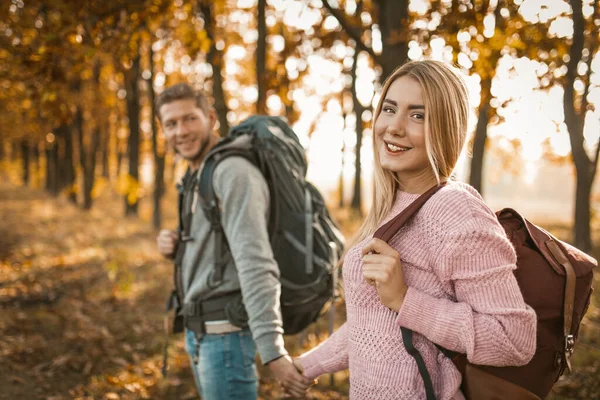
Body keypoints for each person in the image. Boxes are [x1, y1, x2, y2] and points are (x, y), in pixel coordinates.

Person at [293, 60, 537, 400]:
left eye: (417, 115)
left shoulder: (455, 210)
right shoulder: (393, 204)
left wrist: (406, 299)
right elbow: (374, 325)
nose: (393, 127)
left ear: (446, 128)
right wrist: (307, 366)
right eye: (389, 109)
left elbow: (513, 340)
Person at [155, 83, 313, 399]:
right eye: (171, 124)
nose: (180, 131)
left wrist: (273, 351)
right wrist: (177, 247)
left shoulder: (233, 173)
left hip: (225, 339)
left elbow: (256, 262)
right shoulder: (199, 173)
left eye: (189, 119)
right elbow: (218, 249)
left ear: (211, 117)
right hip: (201, 333)